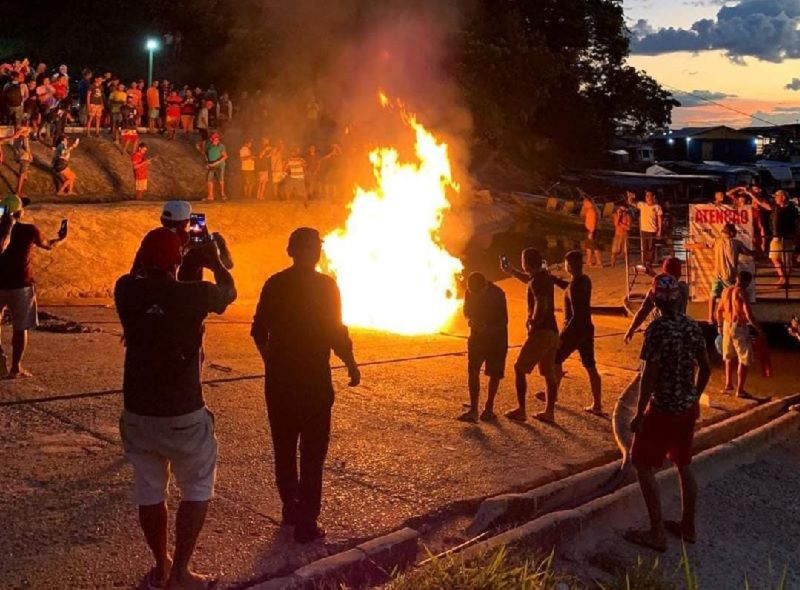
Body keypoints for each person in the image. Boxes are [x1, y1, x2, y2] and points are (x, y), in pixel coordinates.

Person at [116, 224, 236, 590]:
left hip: (137, 411)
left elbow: (139, 276)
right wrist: (215, 261)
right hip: (182, 411)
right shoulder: (194, 294)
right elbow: (228, 294)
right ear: (177, 261)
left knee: (150, 490)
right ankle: (181, 572)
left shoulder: (125, 289)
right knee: (197, 487)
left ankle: (161, 566)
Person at [251, 227, 361, 543]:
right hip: (314, 382)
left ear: (291, 251)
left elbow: (258, 331)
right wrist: (350, 363)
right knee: (312, 455)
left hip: (280, 384)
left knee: (284, 449)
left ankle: (291, 508)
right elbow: (336, 331)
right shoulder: (327, 287)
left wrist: (270, 361)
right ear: (314, 252)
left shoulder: (275, 284)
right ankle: (306, 523)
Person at [625, 274, 710, 552]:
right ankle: (688, 527)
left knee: (641, 463)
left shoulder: (657, 330)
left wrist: (638, 413)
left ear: (656, 301)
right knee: (684, 465)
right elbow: (706, 368)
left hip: (661, 408)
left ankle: (657, 532)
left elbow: (649, 375)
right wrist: (694, 397)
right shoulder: (692, 327)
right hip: (686, 408)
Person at [0, 196, 68, 378]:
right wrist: (61, 238)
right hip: (21, 286)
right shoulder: (29, 230)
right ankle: (15, 368)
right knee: (20, 328)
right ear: (19, 212)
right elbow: (48, 245)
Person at [542, 250, 603, 422]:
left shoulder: (576, 285)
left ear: (569, 266)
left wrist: (563, 336)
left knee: (555, 361)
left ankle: (551, 399)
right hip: (586, 329)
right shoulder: (583, 280)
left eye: (567, 264)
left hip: (574, 330)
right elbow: (568, 287)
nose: (567, 266)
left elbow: (577, 313)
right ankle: (597, 405)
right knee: (590, 366)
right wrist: (554, 279)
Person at [501, 248, 559, 422]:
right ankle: (549, 412)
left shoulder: (537, 281)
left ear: (526, 262)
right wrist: (511, 272)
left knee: (519, 368)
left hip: (541, 332)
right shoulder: (543, 276)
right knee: (548, 373)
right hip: (552, 332)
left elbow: (542, 302)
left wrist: (533, 322)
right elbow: (529, 281)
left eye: (522, 260)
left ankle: (521, 410)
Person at [459, 272, 508, 423]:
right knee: (473, 370)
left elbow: (503, 321)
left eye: (478, 293)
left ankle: (489, 408)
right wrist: (472, 321)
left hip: (497, 339)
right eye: (472, 293)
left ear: (485, 286)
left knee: (495, 373)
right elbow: (466, 312)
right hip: (477, 338)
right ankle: (473, 410)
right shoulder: (470, 292)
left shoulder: (498, 294)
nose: (475, 296)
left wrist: (486, 328)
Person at [688, 223, 752, 324]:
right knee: (733, 296)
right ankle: (733, 315)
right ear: (731, 233)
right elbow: (747, 252)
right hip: (729, 274)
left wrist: (690, 246)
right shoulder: (736, 243)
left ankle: (710, 317)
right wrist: (758, 253)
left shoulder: (717, 241)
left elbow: (703, 245)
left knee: (713, 295)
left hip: (717, 274)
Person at [717, 270, 762, 399]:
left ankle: (728, 385)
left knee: (729, 356)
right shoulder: (742, 293)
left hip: (726, 325)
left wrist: (719, 326)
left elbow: (719, 311)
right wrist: (760, 330)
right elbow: (748, 315)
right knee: (744, 358)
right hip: (739, 326)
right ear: (747, 282)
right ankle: (740, 390)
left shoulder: (726, 291)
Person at [624, 257, 689, 344]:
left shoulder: (655, 292)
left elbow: (643, 311)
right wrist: (654, 275)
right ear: (680, 274)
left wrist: (631, 329)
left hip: (659, 333)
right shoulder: (684, 288)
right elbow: (670, 284)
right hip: (679, 330)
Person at [769, 190, 798, 286]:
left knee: (787, 260)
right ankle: (783, 278)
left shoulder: (792, 209)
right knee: (774, 257)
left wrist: (797, 236)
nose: (775, 198)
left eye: (777, 196)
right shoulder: (775, 207)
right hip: (777, 237)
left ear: (782, 197)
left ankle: (785, 280)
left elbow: (797, 223)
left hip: (788, 237)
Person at [637, 191, 662, 270]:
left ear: (652, 197)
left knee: (651, 247)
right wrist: (630, 198)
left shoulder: (657, 207)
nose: (647, 197)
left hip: (652, 230)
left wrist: (659, 230)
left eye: (649, 196)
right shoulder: (642, 205)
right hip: (644, 230)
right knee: (644, 247)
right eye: (646, 196)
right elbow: (632, 203)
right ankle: (644, 263)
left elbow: (660, 218)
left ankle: (649, 262)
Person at [205, 132, 228, 202]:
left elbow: (225, 156)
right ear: (211, 139)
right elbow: (206, 154)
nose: (216, 141)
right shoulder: (208, 145)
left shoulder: (221, 146)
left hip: (220, 166)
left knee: (221, 180)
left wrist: (216, 163)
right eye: (215, 140)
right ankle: (210, 196)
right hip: (211, 165)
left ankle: (222, 194)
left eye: (217, 140)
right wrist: (207, 163)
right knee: (209, 180)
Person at [610, 199, 632, 267]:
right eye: (620, 210)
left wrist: (622, 224)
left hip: (625, 235)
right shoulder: (615, 215)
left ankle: (626, 264)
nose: (622, 212)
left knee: (626, 251)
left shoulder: (628, 217)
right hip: (617, 234)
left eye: (623, 210)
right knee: (614, 251)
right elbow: (616, 224)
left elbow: (628, 228)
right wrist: (619, 216)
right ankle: (612, 264)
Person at [582, 197, 603, 267]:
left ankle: (599, 263)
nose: (584, 204)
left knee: (595, 247)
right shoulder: (595, 209)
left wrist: (591, 232)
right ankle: (589, 261)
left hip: (592, 230)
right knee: (589, 247)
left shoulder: (592, 210)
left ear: (588, 202)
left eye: (584, 203)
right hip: (593, 230)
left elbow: (594, 222)